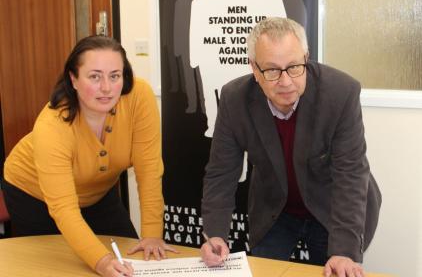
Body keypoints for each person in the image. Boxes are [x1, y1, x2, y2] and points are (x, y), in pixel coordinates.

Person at [200, 17, 381, 277]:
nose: (285, 81)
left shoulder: (341, 93)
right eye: (272, 70)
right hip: (275, 206)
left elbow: (350, 174)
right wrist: (215, 235)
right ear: (254, 67)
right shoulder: (235, 99)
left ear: (306, 57)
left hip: (331, 208)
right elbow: (221, 173)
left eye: (294, 67)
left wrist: (344, 251)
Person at [2, 36, 176, 277]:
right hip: (34, 195)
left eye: (115, 76)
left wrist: (152, 234)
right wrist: (101, 262)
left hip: (98, 194)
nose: (106, 87)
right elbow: (63, 208)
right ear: (73, 79)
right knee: (54, 269)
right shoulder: (52, 125)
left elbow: (149, 171)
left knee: (132, 260)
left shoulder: (139, 96)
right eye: (95, 76)